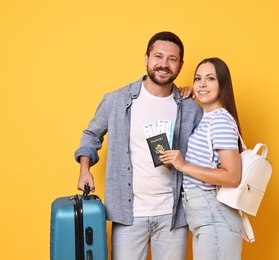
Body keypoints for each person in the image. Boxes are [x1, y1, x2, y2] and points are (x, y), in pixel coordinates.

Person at [74, 31, 203, 260]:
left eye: (172, 59)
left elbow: (205, 153)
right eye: (158, 56)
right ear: (146, 59)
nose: (163, 64)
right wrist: (85, 170)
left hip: (173, 216)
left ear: (180, 65)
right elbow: (91, 135)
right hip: (128, 215)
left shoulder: (190, 107)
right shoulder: (116, 100)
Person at [160, 57, 244, 260]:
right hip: (204, 217)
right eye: (198, 79)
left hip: (216, 216)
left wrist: (184, 166)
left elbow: (232, 177)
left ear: (222, 84)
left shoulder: (221, 121)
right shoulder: (205, 118)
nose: (202, 84)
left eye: (211, 79)